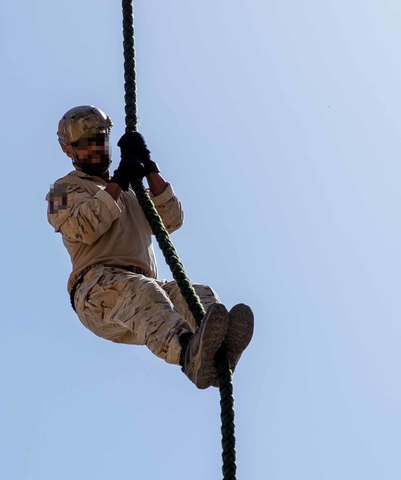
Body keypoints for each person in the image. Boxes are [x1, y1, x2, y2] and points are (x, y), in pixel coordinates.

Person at [47, 105, 253, 389]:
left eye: (99, 140)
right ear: (68, 151)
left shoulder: (131, 190)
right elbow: (83, 227)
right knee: (145, 293)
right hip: (97, 290)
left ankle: (215, 353)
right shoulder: (60, 191)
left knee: (199, 294)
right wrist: (118, 181)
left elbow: (172, 220)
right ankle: (188, 354)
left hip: (140, 281)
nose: (95, 148)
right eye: (85, 144)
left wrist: (148, 165)